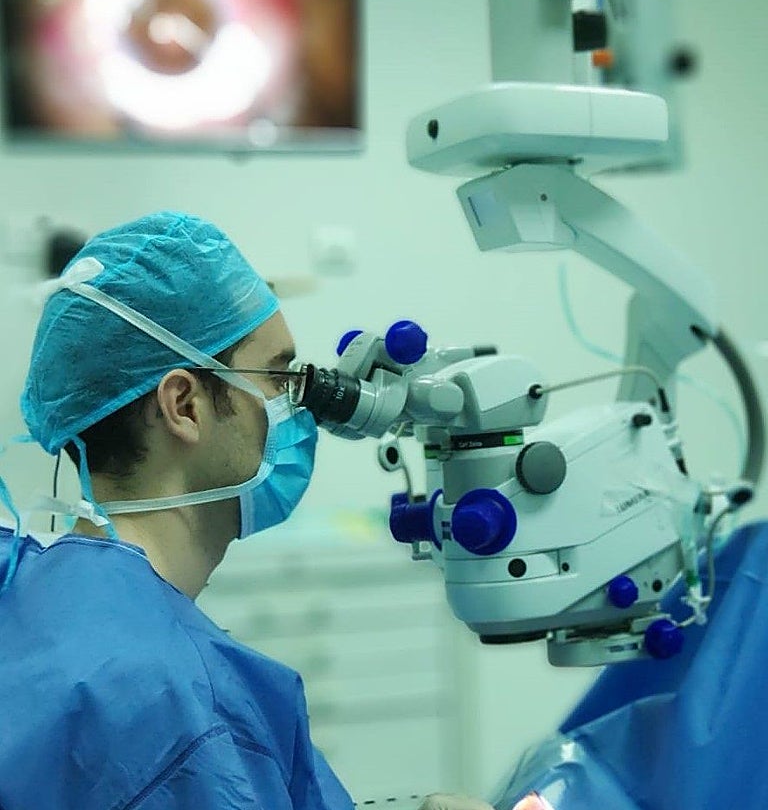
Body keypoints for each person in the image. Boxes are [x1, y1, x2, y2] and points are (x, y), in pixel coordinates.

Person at [0, 212, 491, 810]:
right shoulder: (174, 703)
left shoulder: (30, 595)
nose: (302, 405)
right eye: (279, 376)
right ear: (184, 405)